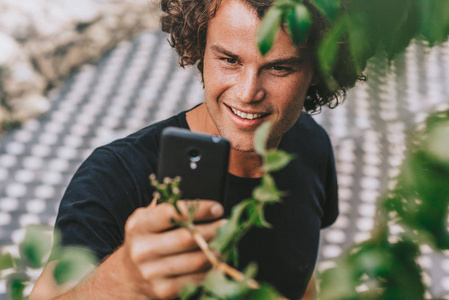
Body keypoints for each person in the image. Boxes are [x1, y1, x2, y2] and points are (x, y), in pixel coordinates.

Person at [30, 0, 362, 299]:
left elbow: (300, 279)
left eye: (278, 67)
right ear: (199, 47)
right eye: (229, 60)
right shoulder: (113, 177)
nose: (248, 93)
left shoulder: (309, 144)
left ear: (318, 68)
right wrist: (124, 279)